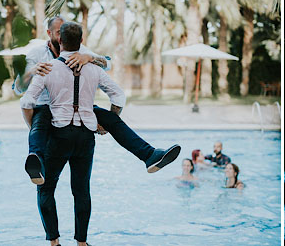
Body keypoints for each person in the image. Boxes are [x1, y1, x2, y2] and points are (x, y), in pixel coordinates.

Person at [20, 15, 181, 186]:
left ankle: (150, 155)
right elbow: (19, 87)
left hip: (79, 107)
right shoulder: (36, 54)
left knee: (111, 118)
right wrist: (32, 72)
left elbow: (107, 63)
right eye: (59, 31)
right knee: (39, 122)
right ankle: (35, 160)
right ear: (51, 33)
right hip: (45, 107)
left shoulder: (81, 50)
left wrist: (90, 58)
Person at [20, 21, 123, 246]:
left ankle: (54, 242)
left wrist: (33, 128)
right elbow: (118, 94)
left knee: (46, 187)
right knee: (81, 191)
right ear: (82, 40)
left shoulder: (48, 67)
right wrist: (109, 120)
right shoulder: (42, 57)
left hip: (57, 132)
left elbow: (25, 101)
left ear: (60, 39)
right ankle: (82, 243)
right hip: (85, 134)